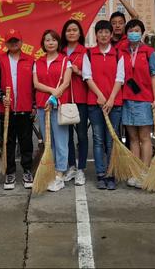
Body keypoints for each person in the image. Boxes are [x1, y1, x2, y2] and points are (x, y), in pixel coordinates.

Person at [82, 20, 124, 190]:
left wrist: (111, 98)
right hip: (95, 103)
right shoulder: (89, 54)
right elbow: (87, 76)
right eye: (100, 32)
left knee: (112, 140)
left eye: (107, 32)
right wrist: (100, 96)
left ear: (111, 34)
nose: (104, 35)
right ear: (96, 34)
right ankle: (101, 174)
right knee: (98, 140)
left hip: (115, 104)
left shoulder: (118, 54)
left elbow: (119, 78)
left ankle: (111, 173)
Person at [120, 19, 155, 188]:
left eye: (136, 30)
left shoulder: (149, 52)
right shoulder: (121, 51)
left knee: (145, 137)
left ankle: (145, 171)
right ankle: (135, 172)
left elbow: (154, 76)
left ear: (141, 32)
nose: (133, 33)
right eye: (130, 30)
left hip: (144, 100)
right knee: (133, 138)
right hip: (127, 99)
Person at [33, 29, 72, 192]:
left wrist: (55, 96)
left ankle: (60, 174)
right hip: (43, 106)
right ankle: (52, 169)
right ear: (43, 43)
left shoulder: (65, 61)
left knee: (61, 141)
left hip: (59, 105)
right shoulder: (38, 61)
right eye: (47, 40)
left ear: (58, 42)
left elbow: (66, 82)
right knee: (49, 141)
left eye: (53, 40)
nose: (50, 43)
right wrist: (51, 91)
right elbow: (36, 84)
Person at [0, 29, 34, 190]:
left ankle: (27, 170)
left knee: (26, 142)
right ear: (6, 43)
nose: (14, 43)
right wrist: (1, 97)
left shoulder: (30, 60)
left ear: (21, 42)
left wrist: (33, 105)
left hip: (25, 108)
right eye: (10, 41)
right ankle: (10, 172)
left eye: (16, 40)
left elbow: (34, 86)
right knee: (8, 141)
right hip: (6, 109)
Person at [61, 19, 88, 186]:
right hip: (64, 99)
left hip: (81, 98)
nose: (71, 33)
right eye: (68, 30)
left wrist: (78, 72)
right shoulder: (60, 52)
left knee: (83, 135)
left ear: (80, 33)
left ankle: (81, 169)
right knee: (67, 135)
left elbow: (91, 75)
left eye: (74, 30)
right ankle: (71, 166)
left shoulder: (85, 52)